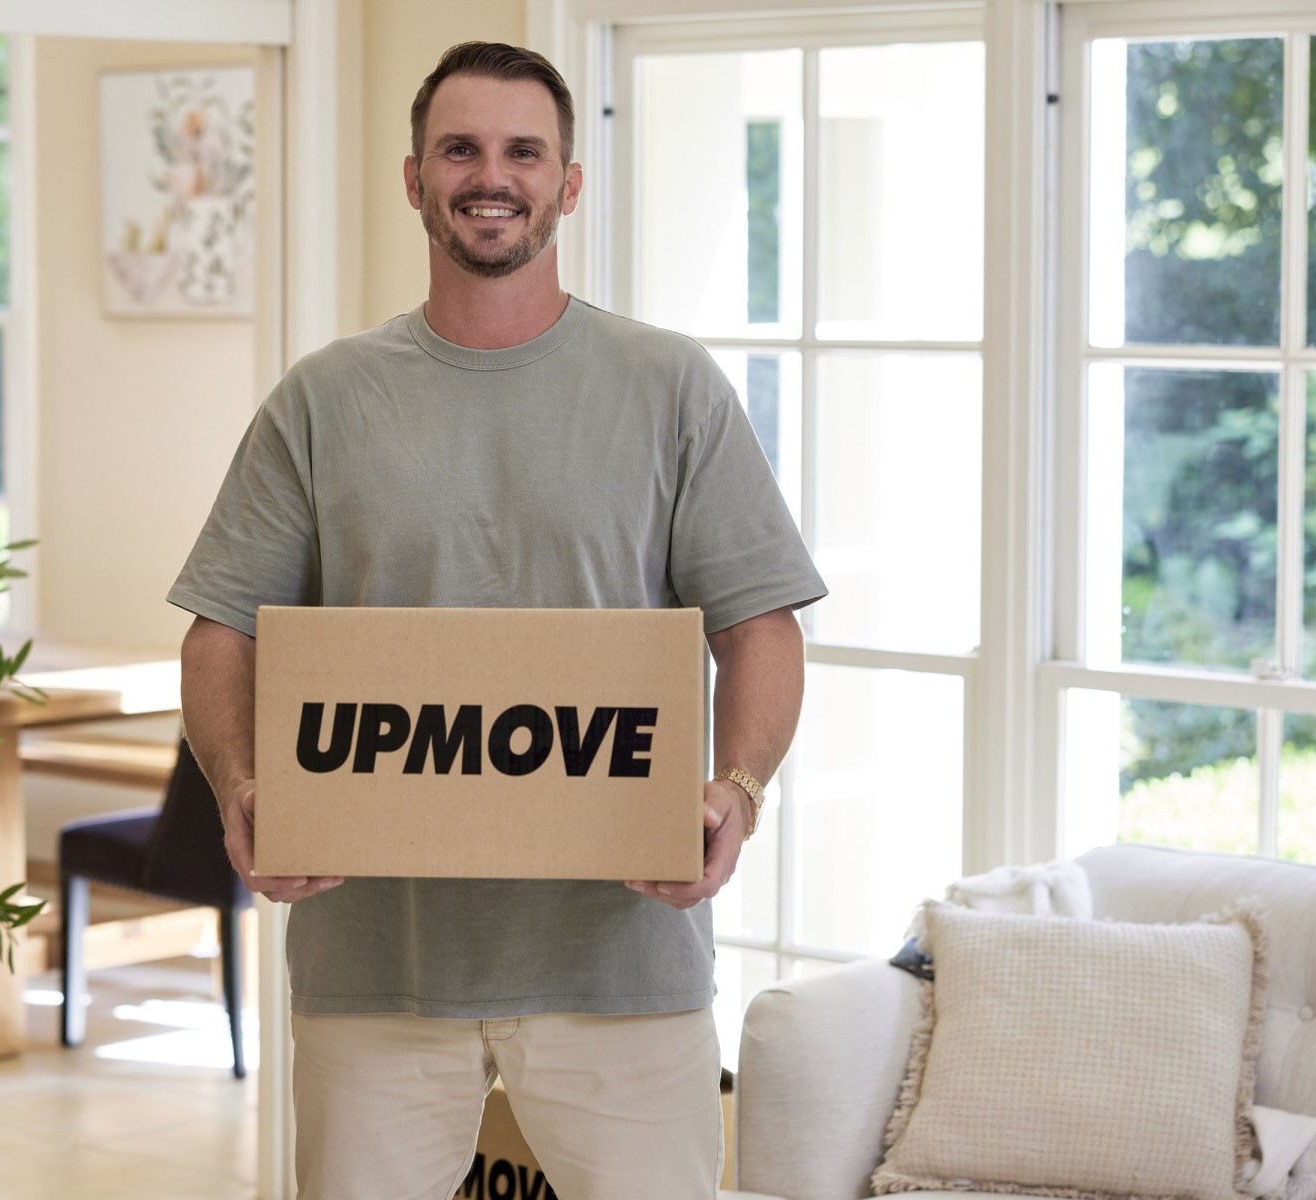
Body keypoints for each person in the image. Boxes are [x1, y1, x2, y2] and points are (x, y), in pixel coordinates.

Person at [169, 41, 825, 1200]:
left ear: (568, 185)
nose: (493, 175)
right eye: (460, 149)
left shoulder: (670, 387)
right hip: (374, 966)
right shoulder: (323, 399)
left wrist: (739, 790)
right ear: (414, 179)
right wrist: (237, 788)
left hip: (622, 958)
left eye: (525, 151)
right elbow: (224, 627)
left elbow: (760, 621)